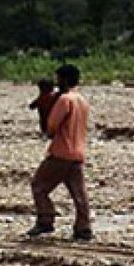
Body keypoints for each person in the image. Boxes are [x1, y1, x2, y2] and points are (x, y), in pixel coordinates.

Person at [28, 64, 92, 240]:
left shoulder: (65, 100)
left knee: (39, 186)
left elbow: (51, 127)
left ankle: (45, 220)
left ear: (64, 79)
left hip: (61, 152)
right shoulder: (82, 101)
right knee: (79, 193)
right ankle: (83, 227)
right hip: (78, 152)